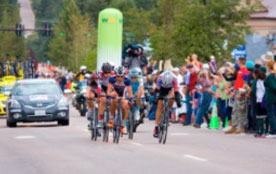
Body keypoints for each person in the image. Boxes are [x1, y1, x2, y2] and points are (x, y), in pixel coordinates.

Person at [153, 71, 182, 138]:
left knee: (172, 97)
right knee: (159, 105)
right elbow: (157, 90)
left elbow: (176, 91)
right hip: (161, 89)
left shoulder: (174, 78)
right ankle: (156, 126)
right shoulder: (160, 77)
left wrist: (178, 101)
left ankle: (168, 110)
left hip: (170, 89)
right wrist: (156, 98)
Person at [225, 57, 249, 134]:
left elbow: (245, 83)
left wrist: (241, 93)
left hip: (241, 92)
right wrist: (234, 92)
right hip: (236, 91)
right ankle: (234, 126)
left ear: (240, 62)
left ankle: (241, 127)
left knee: (241, 109)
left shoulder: (245, 71)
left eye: (237, 61)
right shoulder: (239, 71)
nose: (237, 63)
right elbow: (237, 82)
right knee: (234, 109)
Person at [107, 66, 133, 134]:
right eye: (118, 76)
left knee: (124, 105)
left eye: (121, 76)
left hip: (123, 94)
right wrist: (108, 97)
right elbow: (109, 89)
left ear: (124, 75)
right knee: (114, 98)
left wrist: (130, 99)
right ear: (115, 75)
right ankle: (111, 119)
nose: (120, 78)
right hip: (114, 93)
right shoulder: (112, 79)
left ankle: (122, 123)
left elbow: (130, 92)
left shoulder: (127, 80)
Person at [264, 61, 276, 138]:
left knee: (271, 114)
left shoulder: (271, 76)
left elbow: (273, 87)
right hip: (273, 97)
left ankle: (273, 131)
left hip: (271, 98)